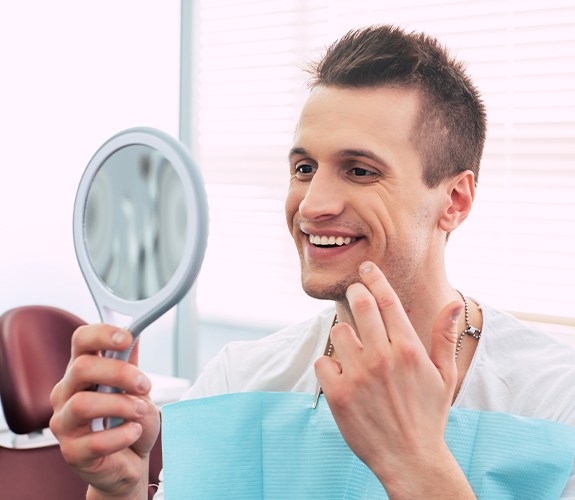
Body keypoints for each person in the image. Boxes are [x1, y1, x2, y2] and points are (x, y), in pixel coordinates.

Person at [50, 24, 575, 499]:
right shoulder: (239, 381)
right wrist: (119, 490)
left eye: (361, 171)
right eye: (304, 167)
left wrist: (417, 464)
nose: (312, 204)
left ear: (455, 201)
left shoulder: (556, 401)